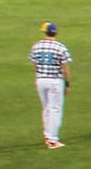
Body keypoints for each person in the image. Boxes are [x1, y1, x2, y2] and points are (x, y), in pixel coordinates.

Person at [30, 21, 71, 149]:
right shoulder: (60, 47)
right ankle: (53, 140)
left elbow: (35, 64)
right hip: (55, 81)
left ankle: (48, 136)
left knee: (46, 108)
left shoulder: (36, 46)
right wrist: (67, 83)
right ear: (55, 33)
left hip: (41, 80)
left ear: (44, 32)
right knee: (55, 109)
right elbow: (64, 68)